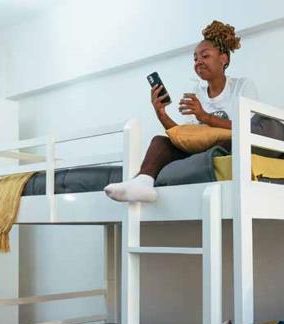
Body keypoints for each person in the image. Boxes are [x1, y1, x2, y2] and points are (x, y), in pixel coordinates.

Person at [104, 20, 258, 203]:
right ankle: (143, 182)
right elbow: (186, 137)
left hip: (225, 147)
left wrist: (205, 117)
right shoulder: (198, 93)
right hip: (198, 151)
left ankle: (144, 181)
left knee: (228, 140)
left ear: (223, 59)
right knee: (160, 141)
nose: (198, 62)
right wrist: (161, 113)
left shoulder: (242, 86)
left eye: (205, 56)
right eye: (195, 59)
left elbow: (249, 128)